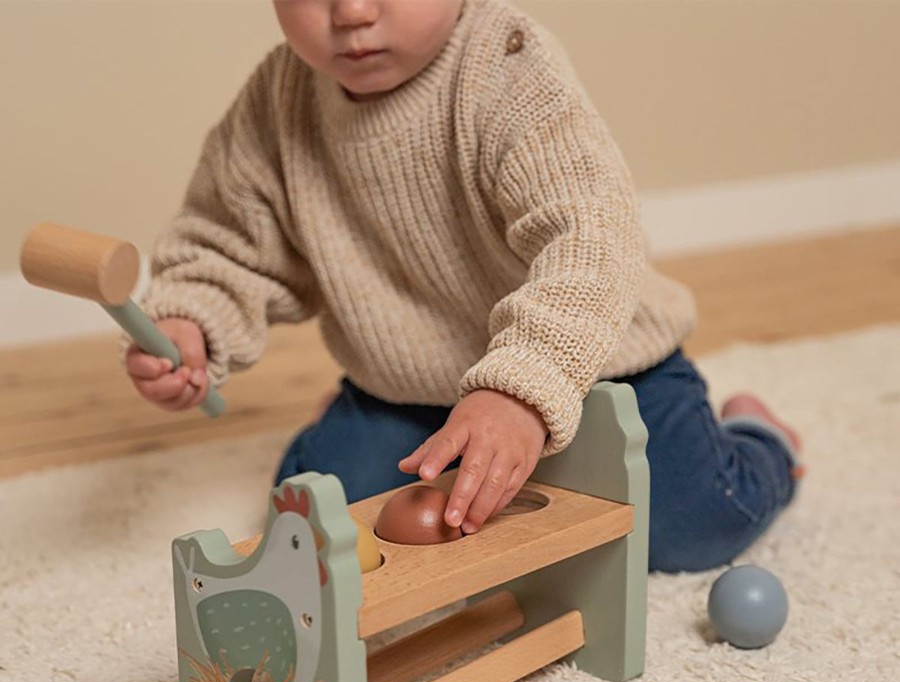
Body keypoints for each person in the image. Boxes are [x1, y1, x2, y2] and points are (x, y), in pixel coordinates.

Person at [125, 0, 802, 572]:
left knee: (701, 519)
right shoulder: (277, 103)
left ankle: (761, 436)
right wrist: (193, 323)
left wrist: (519, 391)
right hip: (411, 385)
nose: (352, 13)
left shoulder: (507, 66)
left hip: (595, 363)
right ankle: (349, 418)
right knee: (320, 523)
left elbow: (591, 238)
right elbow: (228, 244)